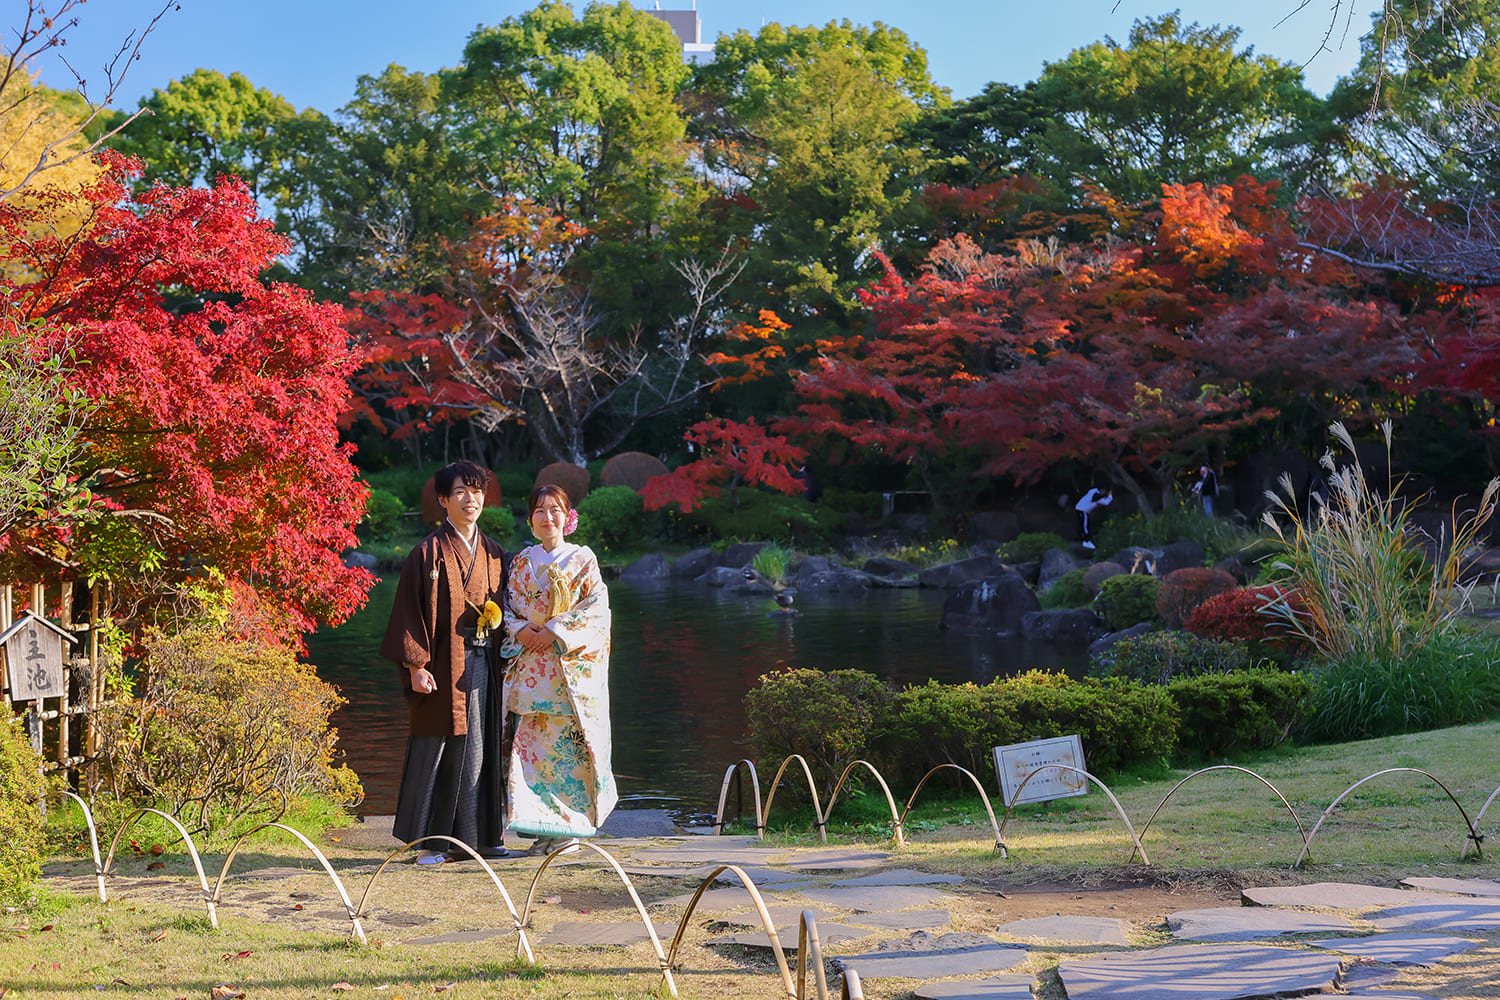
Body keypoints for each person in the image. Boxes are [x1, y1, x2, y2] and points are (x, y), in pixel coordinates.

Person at [380, 461, 509, 865]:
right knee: (441, 747)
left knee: (482, 747)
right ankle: (432, 844)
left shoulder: (493, 552)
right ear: (442, 500)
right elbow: (409, 612)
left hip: (484, 663)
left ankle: (483, 839)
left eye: (476, 492)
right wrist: (415, 666)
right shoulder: (428, 553)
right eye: (460, 492)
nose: (470, 500)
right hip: (442, 666)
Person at [501, 484, 616, 855]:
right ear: (530, 520)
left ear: (568, 518)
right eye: (540, 511)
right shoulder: (520, 563)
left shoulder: (582, 560)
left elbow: (597, 610)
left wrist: (555, 630)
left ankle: (569, 831)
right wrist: (520, 629)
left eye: (555, 510)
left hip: (567, 672)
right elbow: (506, 609)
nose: (547, 517)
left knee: (568, 752)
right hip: (531, 667)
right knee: (529, 753)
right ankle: (541, 831)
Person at [1074, 485, 1113, 550]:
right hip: (1082, 510)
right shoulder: (1096, 497)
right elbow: (1106, 503)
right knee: (1084, 526)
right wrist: (1110, 496)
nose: (1104, 492)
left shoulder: (1093, 491)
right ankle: (1086, 541)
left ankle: (1084, 539)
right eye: (1104, 491)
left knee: (1085, 525)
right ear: (1101, 490)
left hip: (1081, 509)